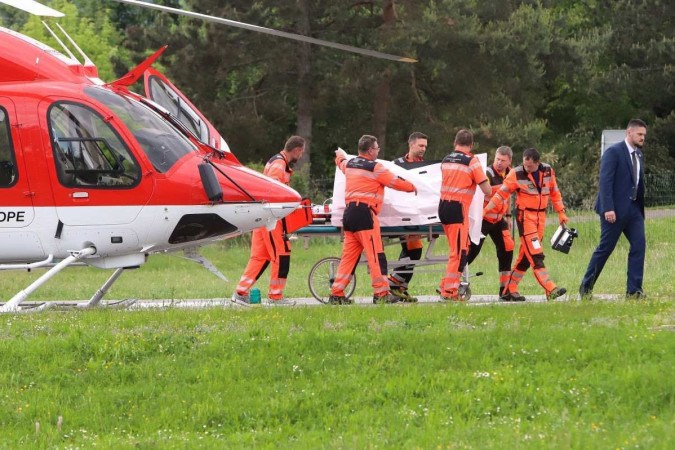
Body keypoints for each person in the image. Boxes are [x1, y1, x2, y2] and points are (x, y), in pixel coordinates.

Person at [329, 135, 417, 305]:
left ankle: (336, 293)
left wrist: (339, 154)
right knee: (376, 255)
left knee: (349, 257)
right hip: (365, 215)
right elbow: (394, 182)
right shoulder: (375, 168)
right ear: (370, 150)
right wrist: (412, 187)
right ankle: (381, 294)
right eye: (377, 148)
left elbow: (340, 162)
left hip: (349, 216)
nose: (378, 151)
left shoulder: (350, 165)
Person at [484, 148, 568, 301]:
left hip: (541, 217)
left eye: (529, 166)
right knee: (536, 253)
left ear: (537, 163)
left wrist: (561, 212)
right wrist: (486, 210)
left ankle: (509, 288)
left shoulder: (548, 171)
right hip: (525, 217)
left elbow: (555, 192)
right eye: (524, 165)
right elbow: (500, 194)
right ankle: (550, 288)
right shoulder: (516, 173)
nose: (526, 168)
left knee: (525, 257)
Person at [231, 136, 306, 305]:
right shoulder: (279, 165)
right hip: (271, 221)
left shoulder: (277, 162)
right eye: (301, 152)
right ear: (296, 150)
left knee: (259, 257)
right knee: (281, 254)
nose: (301, 156)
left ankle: (241, 292)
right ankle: (275, 296)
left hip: (263, 219)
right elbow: (272, 192)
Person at [579, 119, 647, 299]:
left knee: (639, 246)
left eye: (644, 135)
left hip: (634, 211)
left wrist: (640, 208)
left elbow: (637, 182)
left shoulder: (639, 155)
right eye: (639, 134)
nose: (642, 138)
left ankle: (634, 291)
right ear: (629, 132)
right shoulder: (614, 152)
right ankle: (585, 288)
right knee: (605, 248)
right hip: (613, 211)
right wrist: (608, 208)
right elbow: (605, 181)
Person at [438, 129, 492, 301]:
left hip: (443, 207)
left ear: (455, 142)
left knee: (460, 247)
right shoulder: (471, 161)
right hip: (458, 209)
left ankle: (447, 284)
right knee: (459, 252)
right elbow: (487, 190)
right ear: (471, 145)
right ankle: (450, 292)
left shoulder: (446, 159)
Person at [466, 146, 515, 297]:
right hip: (483, 219)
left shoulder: (510, 174)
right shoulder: (487, 173)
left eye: (503, 160)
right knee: (472, 250)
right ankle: (452, 282)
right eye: (497, 159)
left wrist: (508, 216)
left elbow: (507, 197)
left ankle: (505, 290)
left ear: (509, 161)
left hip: (499, 219)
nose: (499, 163)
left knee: (507, 249)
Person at [388, 131, 428, 302]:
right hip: (401, 214)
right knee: (414, 249)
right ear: (410, 144)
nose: (423, 149)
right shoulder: (396, 164)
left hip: (417, 215)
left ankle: (400, 287)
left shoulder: (426, 167)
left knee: (412, 250)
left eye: (425, 146)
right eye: (420, 145)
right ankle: (395, 282)